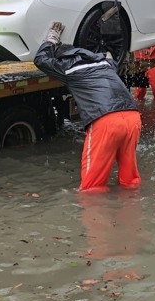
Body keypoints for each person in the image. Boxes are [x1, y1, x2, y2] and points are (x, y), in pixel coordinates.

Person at [34, 22, 141, 192]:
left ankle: (95, 216)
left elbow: (40, 60)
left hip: (106, 120)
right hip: (132, 117)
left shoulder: (68, 67)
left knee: (92, 188)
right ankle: (131, 212)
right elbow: (111, 57)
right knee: (130, 180)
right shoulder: (105, 64)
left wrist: (51, 39)